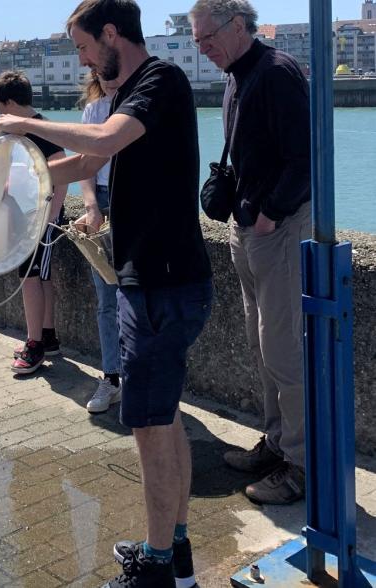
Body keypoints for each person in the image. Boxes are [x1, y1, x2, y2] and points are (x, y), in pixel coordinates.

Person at [0, 1, 213, 586]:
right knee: (164, 421)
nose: (82, 58)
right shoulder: (130, 91)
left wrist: (29, 125)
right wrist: (15, 176)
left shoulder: (160, 80)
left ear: (112, 34)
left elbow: (104, 137)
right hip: (156, 279)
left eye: (85, 47)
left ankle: (159, 566)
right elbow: (88, 159)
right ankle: (174, 551)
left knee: (148, 427)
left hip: (163, 283)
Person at [190, 0, 312, 505]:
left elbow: (306, 156)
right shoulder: (237, 76)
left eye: (206, 37)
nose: (201, 48)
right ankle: (277, 444)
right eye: (196, 40)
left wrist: (270, 212)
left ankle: (303, 468)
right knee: (262, 350)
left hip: (276, 230)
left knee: (285, 353)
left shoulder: (277, 72)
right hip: (250, 229)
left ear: (238, 26)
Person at [0, 70, 68, 375]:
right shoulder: (20, 132)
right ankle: (47, 336)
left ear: (10, 103)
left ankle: (34, 344)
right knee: (40, 277)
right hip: (29, 216)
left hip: (41, 220)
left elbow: (61, 171)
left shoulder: (40, 130)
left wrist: (51, 217)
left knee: (30, 278)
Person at [77, 71, 123, 413]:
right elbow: (84, 168)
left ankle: (138, 377)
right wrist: (92, 207)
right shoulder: (93, 111)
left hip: (136, 200)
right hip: (104, 200)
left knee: (137, 297)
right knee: (106, 298)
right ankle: (111, 377)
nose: (107, 79)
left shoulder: (140, 104)